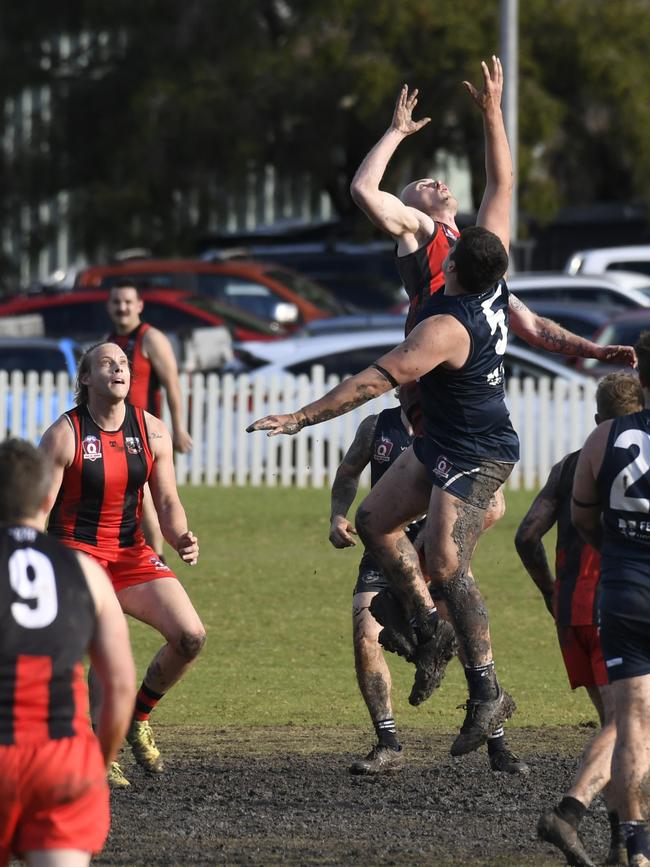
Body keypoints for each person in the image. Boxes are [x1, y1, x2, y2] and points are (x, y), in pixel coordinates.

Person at [249, 58, 635, 754]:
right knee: (375, 521)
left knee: (447, 558)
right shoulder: (440, 243)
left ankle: (484, 687)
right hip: (439, 427)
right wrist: (468, 116)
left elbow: (382, 375)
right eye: (421, 184)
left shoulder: (462, 285)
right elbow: (401, 189)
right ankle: (430, 632)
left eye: (434, 182)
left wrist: (300, 416)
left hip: (475, 439)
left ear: (462, 264)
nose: (433, 183)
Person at [40, 341, 206, 787]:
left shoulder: (152, 431)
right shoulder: (65, 434)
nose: (119, 369)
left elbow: (167, 499)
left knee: (190, 636)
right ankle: (100, 752)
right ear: (86, 379)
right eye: (107, 364)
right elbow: (37, 513)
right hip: (76, 552)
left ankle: (136, 718)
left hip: (130, 552)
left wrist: (180, 536)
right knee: (110, 635)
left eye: (124, 364)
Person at [331, 404, 528, 776]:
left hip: (437, 553)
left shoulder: (454, 430)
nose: (410, 387)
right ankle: (388, 745)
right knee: (365, 633)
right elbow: (347, 473)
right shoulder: (377, 427)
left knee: (470, 640)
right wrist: (337, 515)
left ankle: (498, 745)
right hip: (385, 554)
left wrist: (434, 543)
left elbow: (495, 504)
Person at [515, 372, 644, 867]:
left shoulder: (569, 466)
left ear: (596, 420)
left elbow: (526, 535)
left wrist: (551, 592)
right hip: (616, 606)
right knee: (629, 724)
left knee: (614, 725)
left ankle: (618, 846)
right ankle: (569, 813)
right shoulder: (639, 462)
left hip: (569, 612)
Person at [0, 438, 135, 867]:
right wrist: (100, 763)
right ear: (46, 499)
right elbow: (119, 685)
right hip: (63, 757)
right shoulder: (86, 572)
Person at [571, 331, 650, 867]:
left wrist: (621, 550)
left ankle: (638, 850)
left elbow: (581, 518)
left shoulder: (605, 438)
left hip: (623, 589)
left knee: (633, 724)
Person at [107, 281, 193, 559]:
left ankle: (155, 557)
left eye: (128, 302)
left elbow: (172, 384)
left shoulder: (151, 338)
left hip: (144, 433)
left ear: (139, 306)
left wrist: (178, 428)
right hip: (114, 435)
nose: (122, 307)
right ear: (109, 306)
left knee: (144, 497)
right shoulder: (108, 341)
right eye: (117, 302)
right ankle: (145, 556)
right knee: (130, 499)